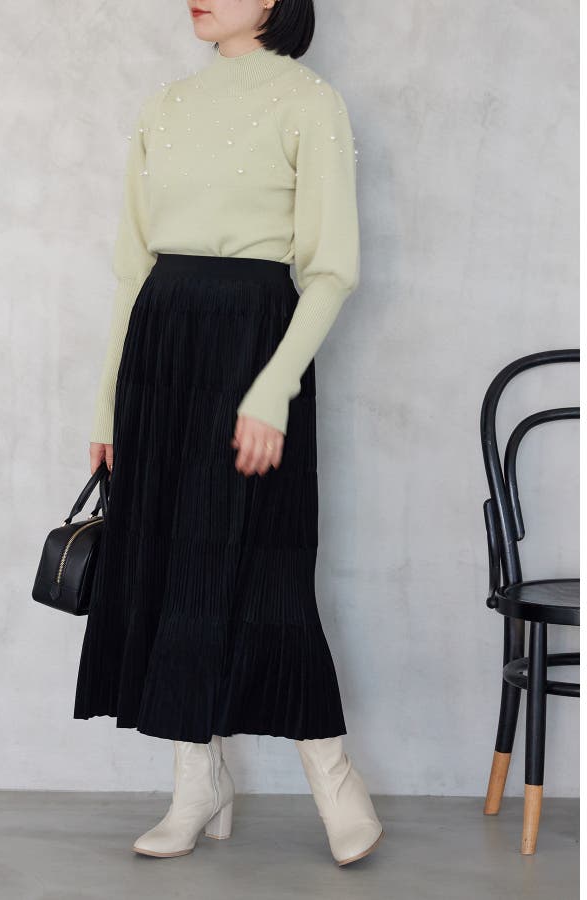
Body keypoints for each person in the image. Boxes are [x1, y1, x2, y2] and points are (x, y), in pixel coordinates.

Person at [73, 0, 383, 865]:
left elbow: (332, 269)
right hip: (160, 347)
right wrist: (106, 405)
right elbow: (132, 268)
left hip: (256, 340)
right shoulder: (165, 105)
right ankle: (196, 782)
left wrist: (272, 390)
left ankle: (333, 774)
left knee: (266, 567)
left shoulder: (310, 102)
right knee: (172, 562)